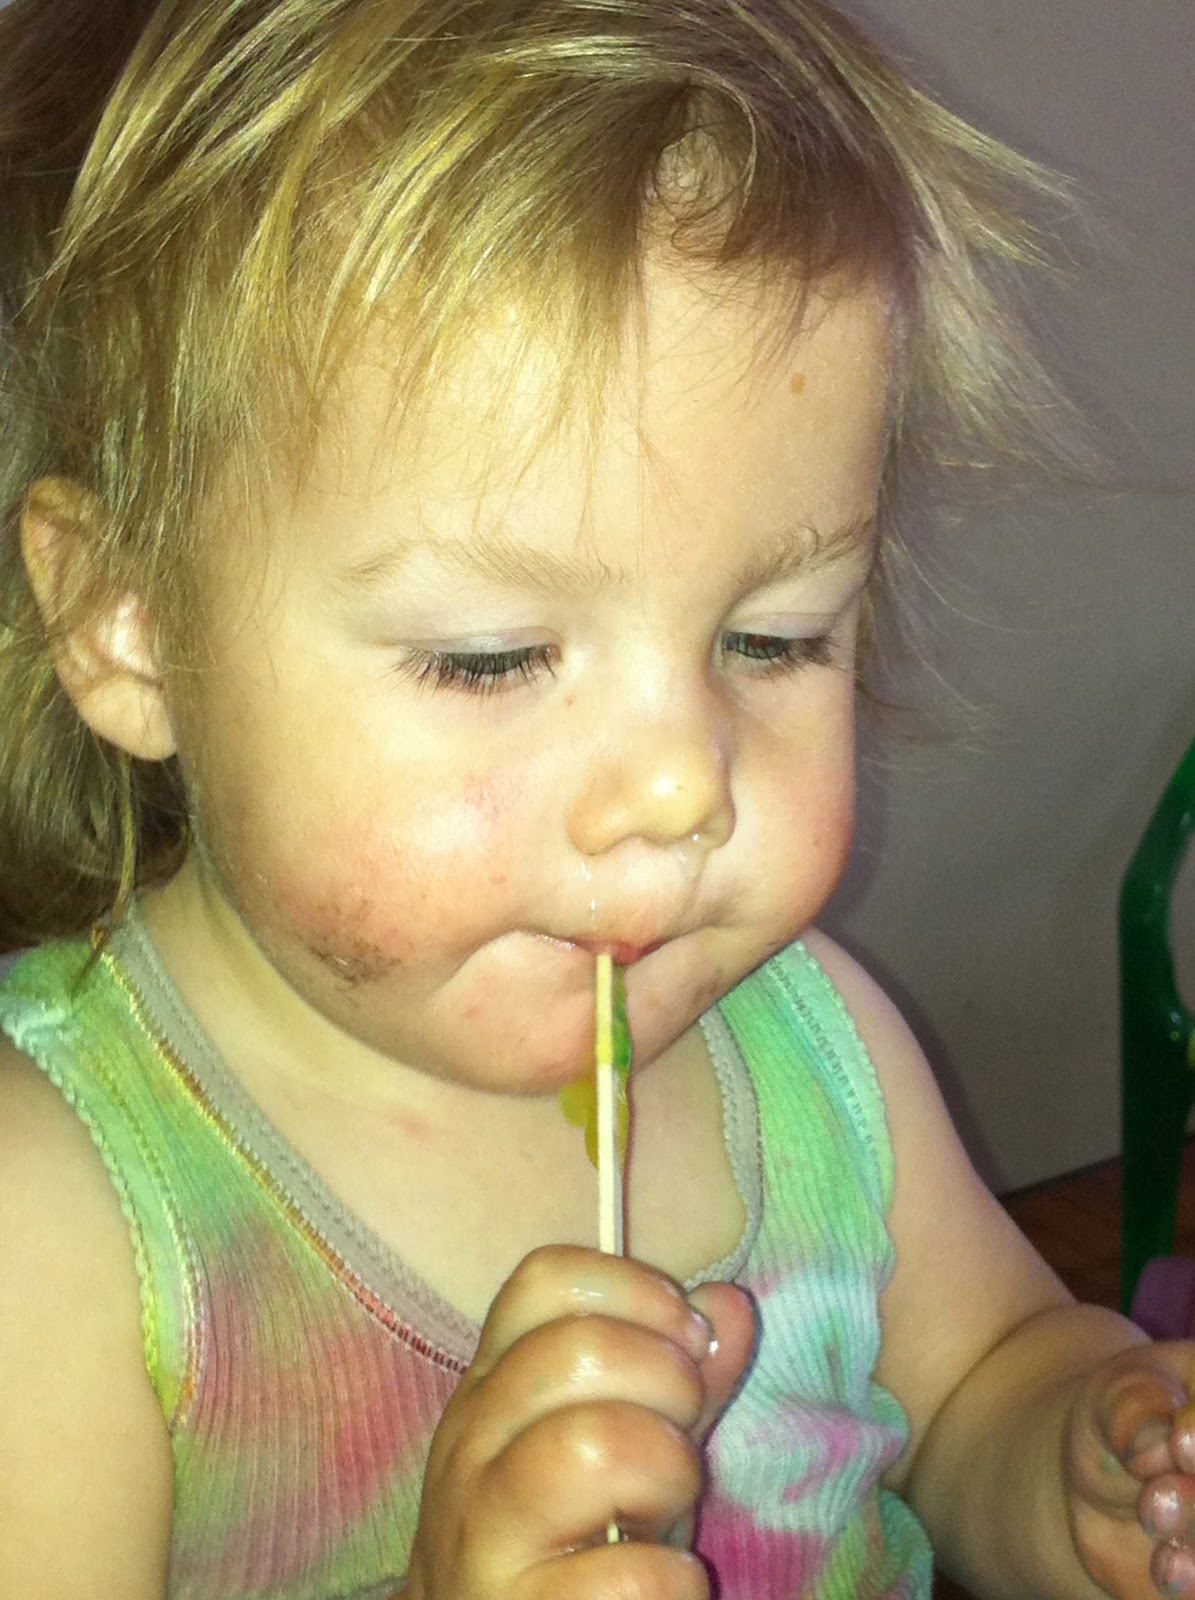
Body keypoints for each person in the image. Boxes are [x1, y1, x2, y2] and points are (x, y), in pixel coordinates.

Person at [0, 2, 1190, 1597]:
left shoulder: (813, 1050)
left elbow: (978, 1380)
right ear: (125, 625)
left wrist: (1080, 1459)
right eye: (491, 658)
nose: (684, 786)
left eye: (774, 638)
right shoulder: (57, 1213)